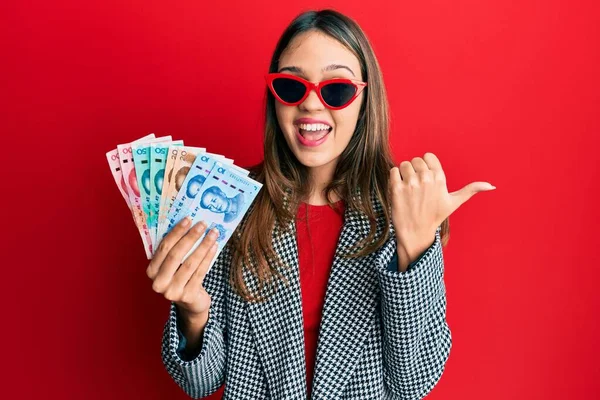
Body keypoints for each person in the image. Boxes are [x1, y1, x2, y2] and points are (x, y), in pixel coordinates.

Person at [146, 9, 495, 400]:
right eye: (293, 86)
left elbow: (413, 382)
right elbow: (200, 382)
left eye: (336, 89)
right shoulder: (232, 203)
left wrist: (414, 247)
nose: (311, 105)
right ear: (274, 98)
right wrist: (194, 312)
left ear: (365, 101)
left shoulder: (401, 209)